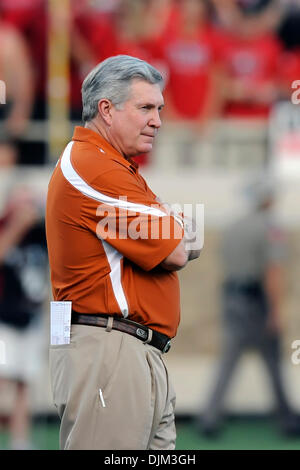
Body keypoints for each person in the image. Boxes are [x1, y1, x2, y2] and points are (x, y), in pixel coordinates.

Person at [46, 55, 201, 450]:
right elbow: (178, 249)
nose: (158, 121)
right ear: (106, 110)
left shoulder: (115, 166)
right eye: (146, 108)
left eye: (159, 109)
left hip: (127, 348)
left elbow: (190, 234)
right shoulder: (93, 166)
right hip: (107, 350)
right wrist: (171, 225)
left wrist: (173, 228)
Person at [198, 174, 300, 437]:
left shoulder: (233, 226)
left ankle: (210, 417)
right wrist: (275, 312)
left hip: (232, 298)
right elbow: (272, 272)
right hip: (257, 302)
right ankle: (288, 421)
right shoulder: (270, 227)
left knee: (228, 360)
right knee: (273, 363)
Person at [0, 186, 48, 450]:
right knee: (2, 379)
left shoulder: (40, 236)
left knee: (24, 382)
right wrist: (16, 226)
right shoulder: (5, 227)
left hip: (31, 319)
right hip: (3, 319)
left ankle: (20, 441)